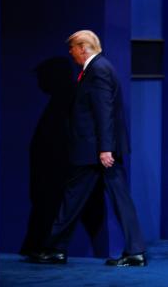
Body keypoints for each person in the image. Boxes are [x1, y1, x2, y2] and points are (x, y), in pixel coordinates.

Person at [30, 30, 147, 266]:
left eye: (72, 48)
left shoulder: (98, 70)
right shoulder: (94, 70)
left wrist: (105, 149)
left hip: (96, 152)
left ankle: (56, 248)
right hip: (94, 150)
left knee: (81, 199)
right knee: (97, 198)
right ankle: (132, 251)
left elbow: (104, 112)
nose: (71, 53)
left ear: (83, 48)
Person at [20, 57, 106, 257]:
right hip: (65, 175)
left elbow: (62, 139)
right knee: (87, 217)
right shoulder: (67, 98)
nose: (40, 82)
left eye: (43, 77)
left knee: (52, 217)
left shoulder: (66, 100)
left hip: (61, 176)